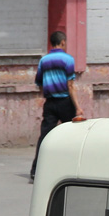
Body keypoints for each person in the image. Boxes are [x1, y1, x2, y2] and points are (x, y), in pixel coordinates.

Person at [30, 31, 82, 181]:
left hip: (50, 103)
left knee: (45, 137)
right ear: (63, 42)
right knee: (71, 136)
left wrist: (48, 94)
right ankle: (71, 167)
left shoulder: (43, 60)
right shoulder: (68, 59)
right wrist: (77, 107)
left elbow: (39, 83)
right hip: (65, 102)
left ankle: (35, 170)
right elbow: (70, 85)